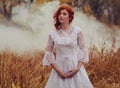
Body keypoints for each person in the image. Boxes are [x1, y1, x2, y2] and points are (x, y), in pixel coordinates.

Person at [43, 4, 94, 88]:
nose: (61, 16)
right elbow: (48, 52)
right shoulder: (53, 33)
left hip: (75, 68)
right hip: (59, 69)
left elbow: (83, 49)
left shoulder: (77, 31)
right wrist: (58, 71)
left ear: (70, 17)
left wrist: (77, 69)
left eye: (64, 14)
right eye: (59, 14)